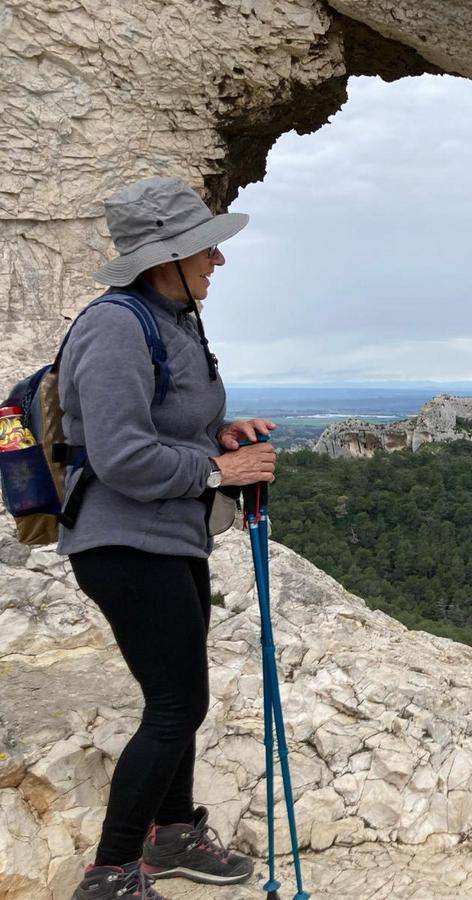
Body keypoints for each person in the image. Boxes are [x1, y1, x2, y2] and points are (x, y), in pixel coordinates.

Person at [62, 176, 278, 900]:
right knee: (175, 705)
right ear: (167, 257)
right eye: (206, 249)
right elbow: (120, 454)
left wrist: (219, 435)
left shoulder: (172, 319)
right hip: (123, 543)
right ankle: (112, 871)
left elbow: (161, 427)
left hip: (171, 538)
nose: (218, 261)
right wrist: (221, 468)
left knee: (183, 697)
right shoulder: (115, 325)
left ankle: (176, 833)